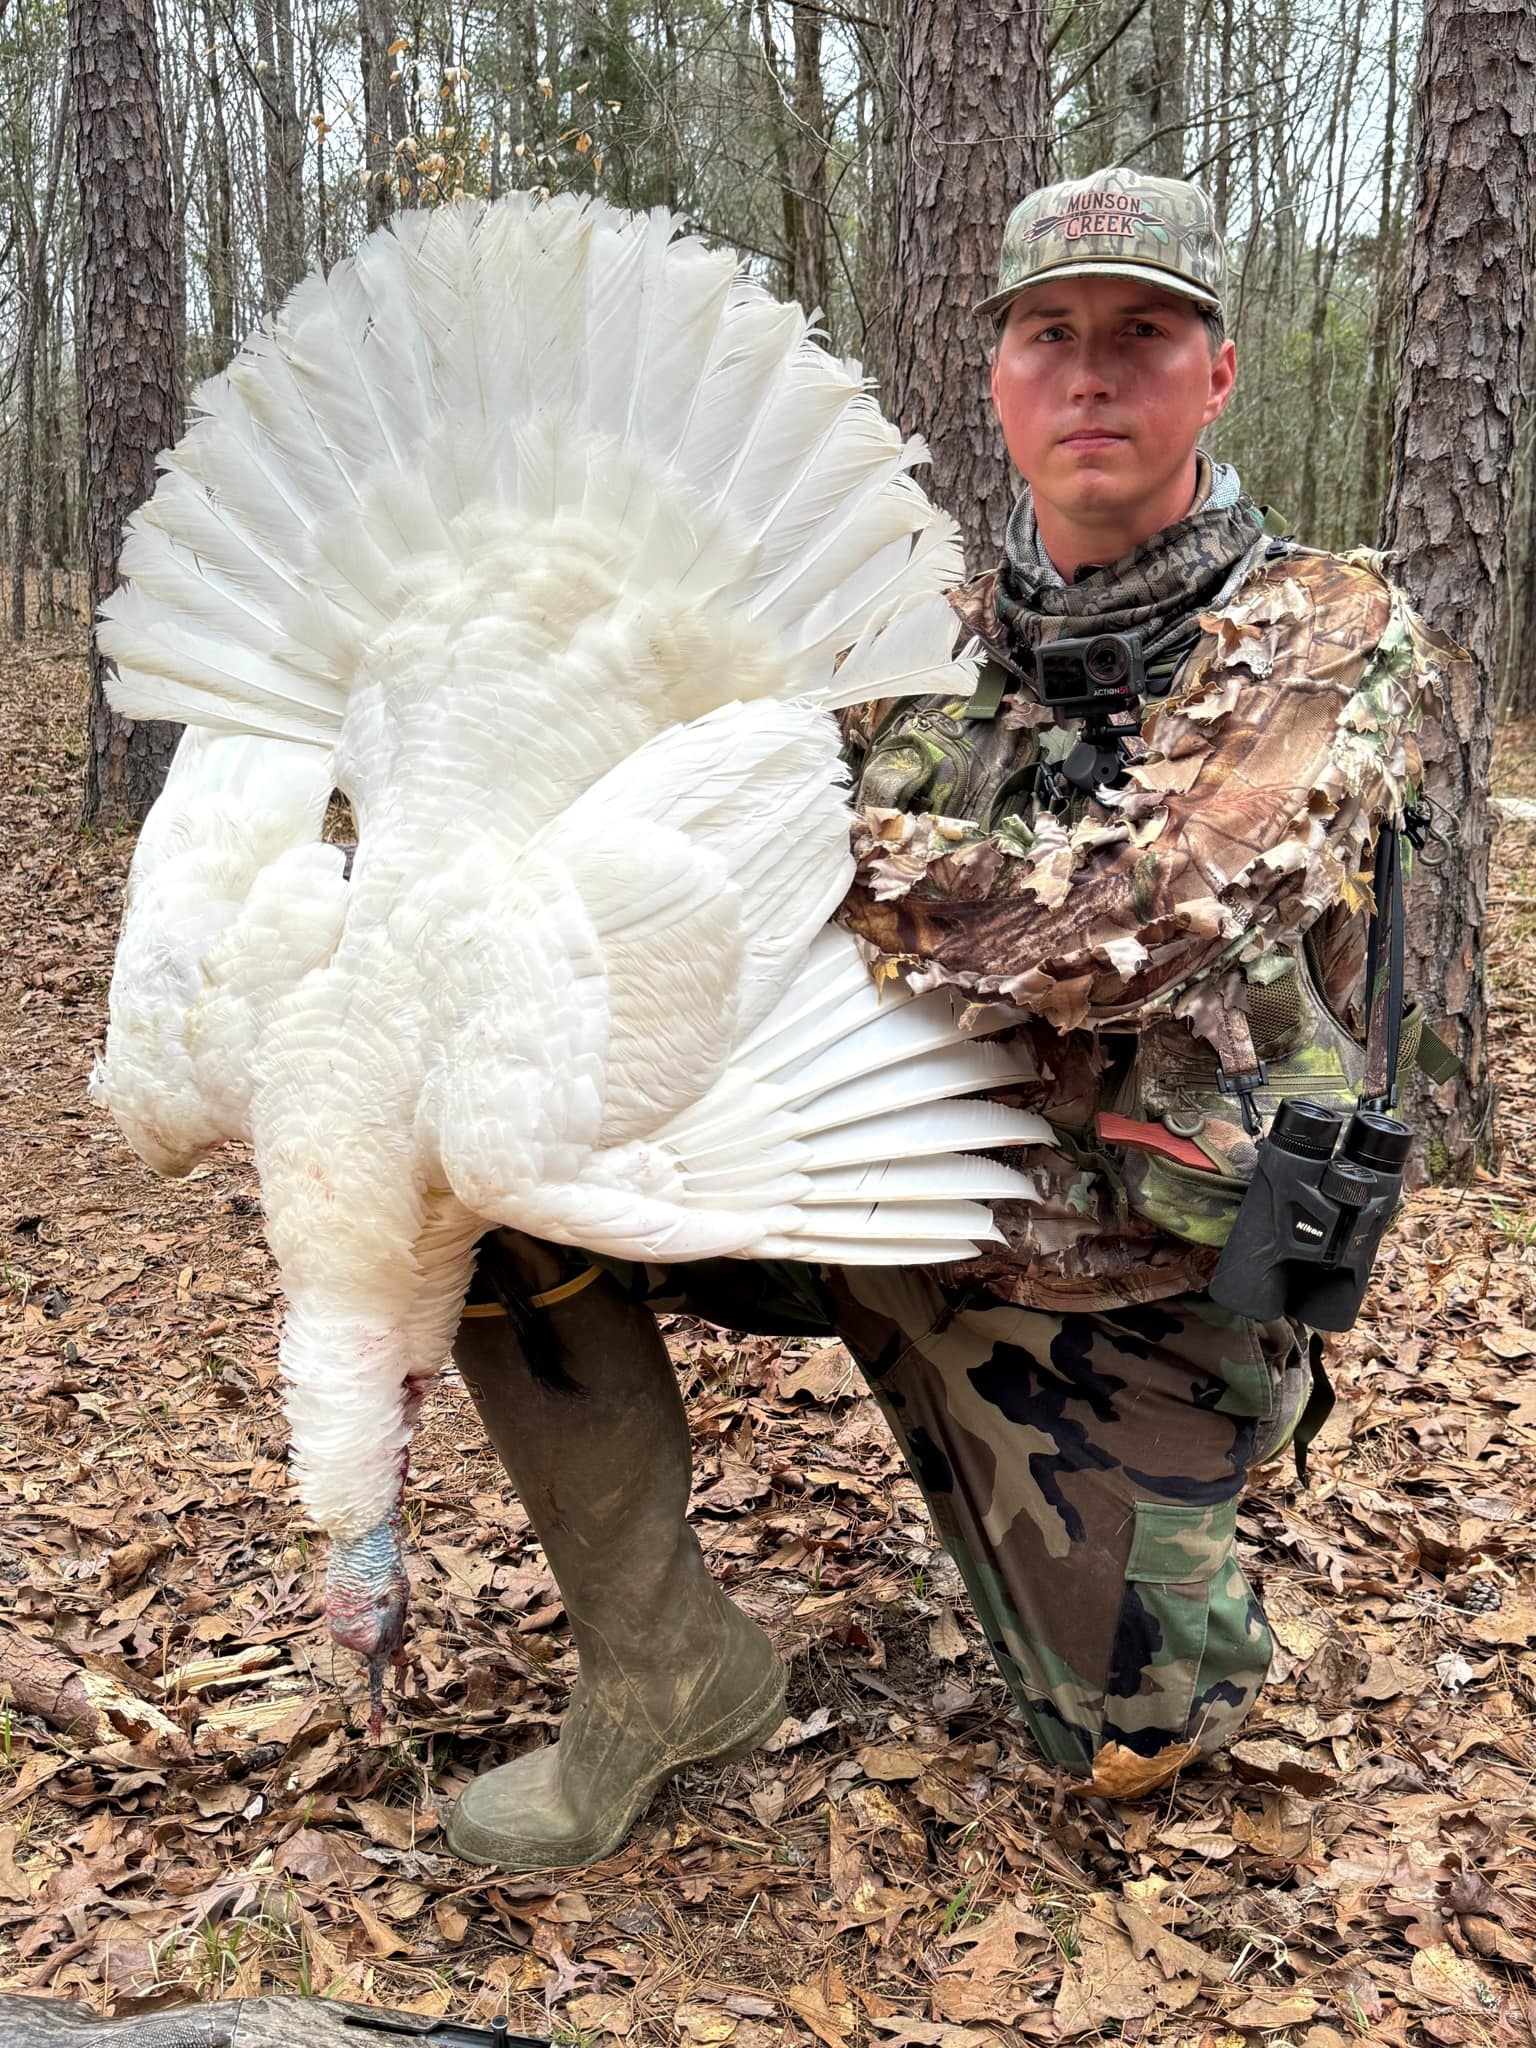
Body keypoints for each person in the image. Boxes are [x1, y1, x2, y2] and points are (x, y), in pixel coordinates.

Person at [444, 166, 1456, 1869]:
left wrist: (809, 852)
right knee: (473, 1179)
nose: (1091, 375)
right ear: (994, 373)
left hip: (1115, 1281)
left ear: (1216, 376)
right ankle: (665, 1670)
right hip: (855, 1193)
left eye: (1143, 335)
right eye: (1048, 335)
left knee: (1132, 1745)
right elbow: (688, 825)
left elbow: (1137, 919)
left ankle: (1184, 1481)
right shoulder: (911, 634)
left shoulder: (1325, 632)